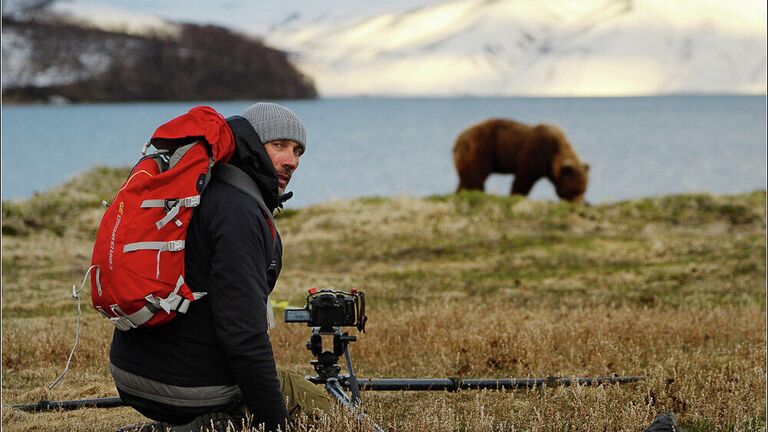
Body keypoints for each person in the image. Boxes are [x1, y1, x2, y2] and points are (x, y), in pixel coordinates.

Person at [109, 102, 331, 431]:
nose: (292, 161)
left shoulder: (201, 188)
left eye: (298, 150)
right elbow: (243, 337)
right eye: (279, 146)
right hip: (184, 386)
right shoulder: (239, 211)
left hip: (129, 371)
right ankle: (205, 425)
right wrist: (275, 424)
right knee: (322, 411)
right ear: (253, 145)